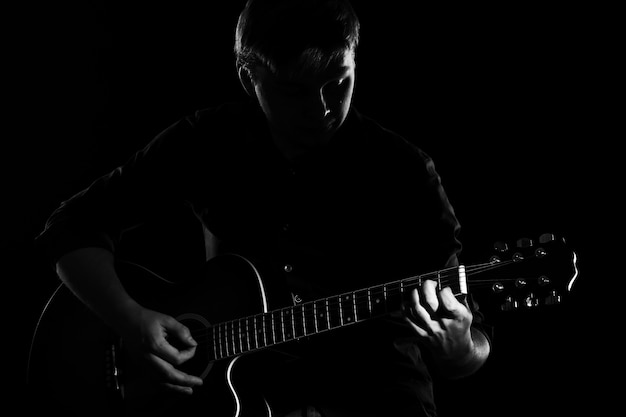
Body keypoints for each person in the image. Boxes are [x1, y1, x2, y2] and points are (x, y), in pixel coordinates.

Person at [33, 1, 491, 416]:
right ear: (249, 78)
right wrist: (130, 319)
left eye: (339, 83)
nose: (323, 109)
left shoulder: (405, 172)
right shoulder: (209, 140)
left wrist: (455, 347)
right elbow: (71, 227)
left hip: (377, 397)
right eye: (295, 91)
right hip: (235, 397)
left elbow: (469, 351)